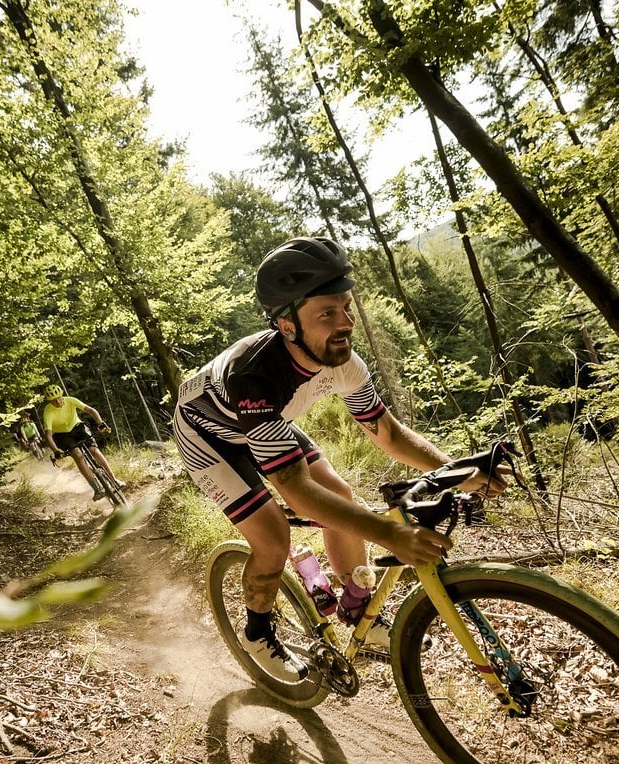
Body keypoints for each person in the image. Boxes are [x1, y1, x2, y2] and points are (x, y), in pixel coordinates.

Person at [173, 236, 505, 682]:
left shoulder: (342, 360)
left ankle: (357, 611)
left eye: (346, 306)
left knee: (340, 496)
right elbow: (297, 490)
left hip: (267, 420)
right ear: (287, 324)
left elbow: (387, 433)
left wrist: (457, 470)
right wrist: (390, 534)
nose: (345, 322)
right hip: (209, 435)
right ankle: (256, 631)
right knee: (273, 540)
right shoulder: (256, 373)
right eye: (327, 313)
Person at [41, 384, 125, 501]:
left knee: (94, 451)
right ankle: (97, 489)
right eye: (54, 400)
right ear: (50, 401)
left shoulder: (70, 400)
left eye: (59, 397)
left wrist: (100, 423)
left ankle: (114, 480)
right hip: (62, 435)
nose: (58, 401)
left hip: (78, 427)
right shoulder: (48, 411)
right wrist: (56, 450)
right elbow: (48, 435)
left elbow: (91, 410)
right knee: (77, 455)